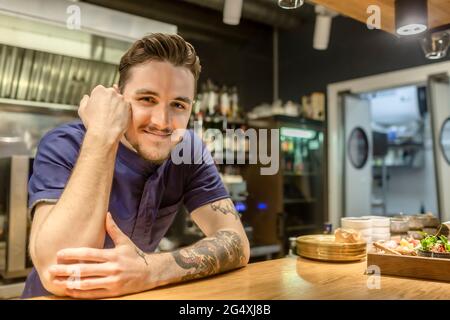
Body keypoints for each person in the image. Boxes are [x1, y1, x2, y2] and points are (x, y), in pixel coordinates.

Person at [22, 33, 250, 299]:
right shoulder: (64, 143)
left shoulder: (187, 151)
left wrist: (151, 270)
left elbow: (237, 242)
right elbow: (58, 270)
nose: (163, 122)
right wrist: (102, 136)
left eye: (178, 104)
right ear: (118, 98)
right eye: (147, 99)